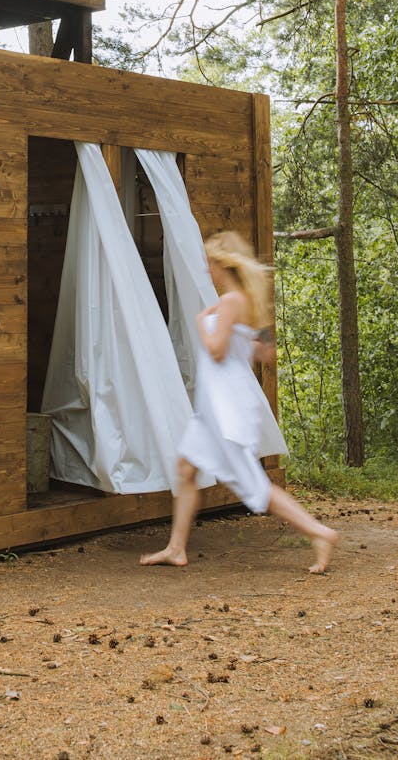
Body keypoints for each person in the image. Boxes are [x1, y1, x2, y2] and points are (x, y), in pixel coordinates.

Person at [140, 231, 337, 574]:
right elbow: (267, 353)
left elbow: (216, 351)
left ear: (222, 264)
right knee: (186, 469)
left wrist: (202, 323)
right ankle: (176, 547)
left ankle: (318, 532)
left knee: (254, 486)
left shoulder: (231, 302)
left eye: (209, 264)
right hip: (213, 405)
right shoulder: (242, 301)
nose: (207, 270)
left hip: (225, 408)